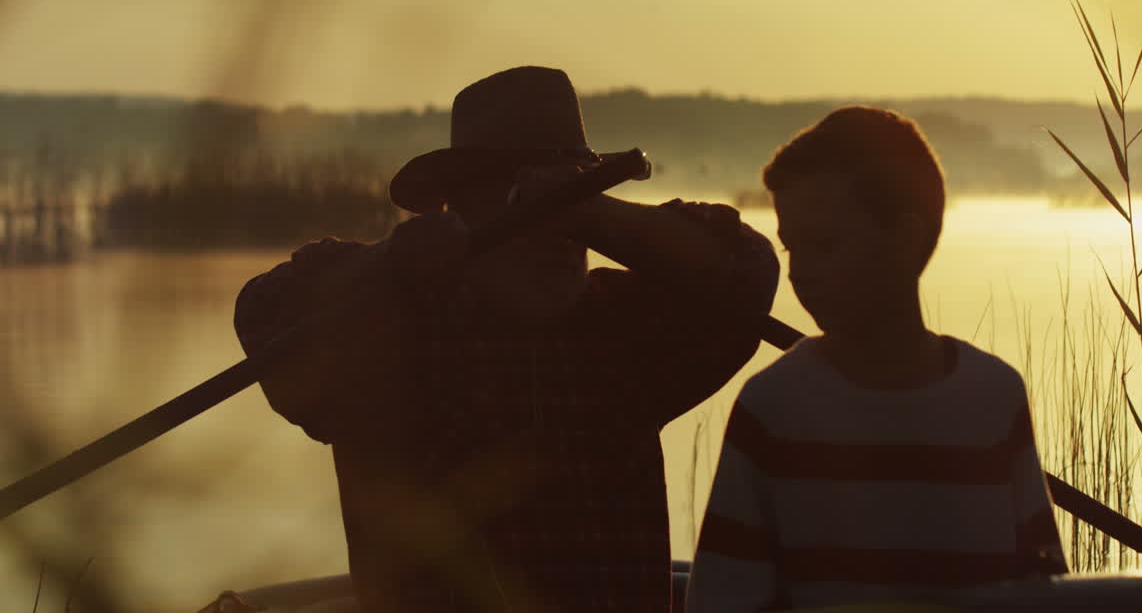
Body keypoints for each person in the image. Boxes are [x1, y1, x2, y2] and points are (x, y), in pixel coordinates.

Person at [232, 66, 779, 613]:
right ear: (460, 210)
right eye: (522, 203)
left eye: (576, 205)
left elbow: (748, 271)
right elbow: (264, 311)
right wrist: (388, 264)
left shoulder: (627, 330)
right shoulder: (392, 332)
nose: (558, 232)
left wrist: (594, 214)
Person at [687, 106, 1066, 612]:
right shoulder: (773, 407)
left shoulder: (996, 399)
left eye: (824, 244)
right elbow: (723, 596)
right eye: (791, 247)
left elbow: (1042, 588)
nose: (800, 273)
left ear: (906, 241)